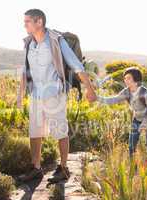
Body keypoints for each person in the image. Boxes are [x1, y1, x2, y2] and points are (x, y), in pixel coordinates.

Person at [17, 9, 97, 183]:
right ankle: (36, 168)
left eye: (27, 21)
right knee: (35, 132)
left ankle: (63, 168)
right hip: (36, 95)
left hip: (55, 94)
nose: (25, 25)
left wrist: (90, 89)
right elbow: (25, 69)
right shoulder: (29, 43)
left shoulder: (56, 40)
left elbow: (76, 65)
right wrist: (20, 94)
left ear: (39, 22)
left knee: (60, 131)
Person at [97, 67, 147, 159]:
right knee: (132, 144)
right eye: (125, 78)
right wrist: (97, 98)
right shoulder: (126, 91)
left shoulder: (145, 93)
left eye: (128, 78)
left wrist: (144, 124)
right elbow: (114, 99)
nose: (125, 80)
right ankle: (132, 163)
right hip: (136, 119)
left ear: (136, 78)